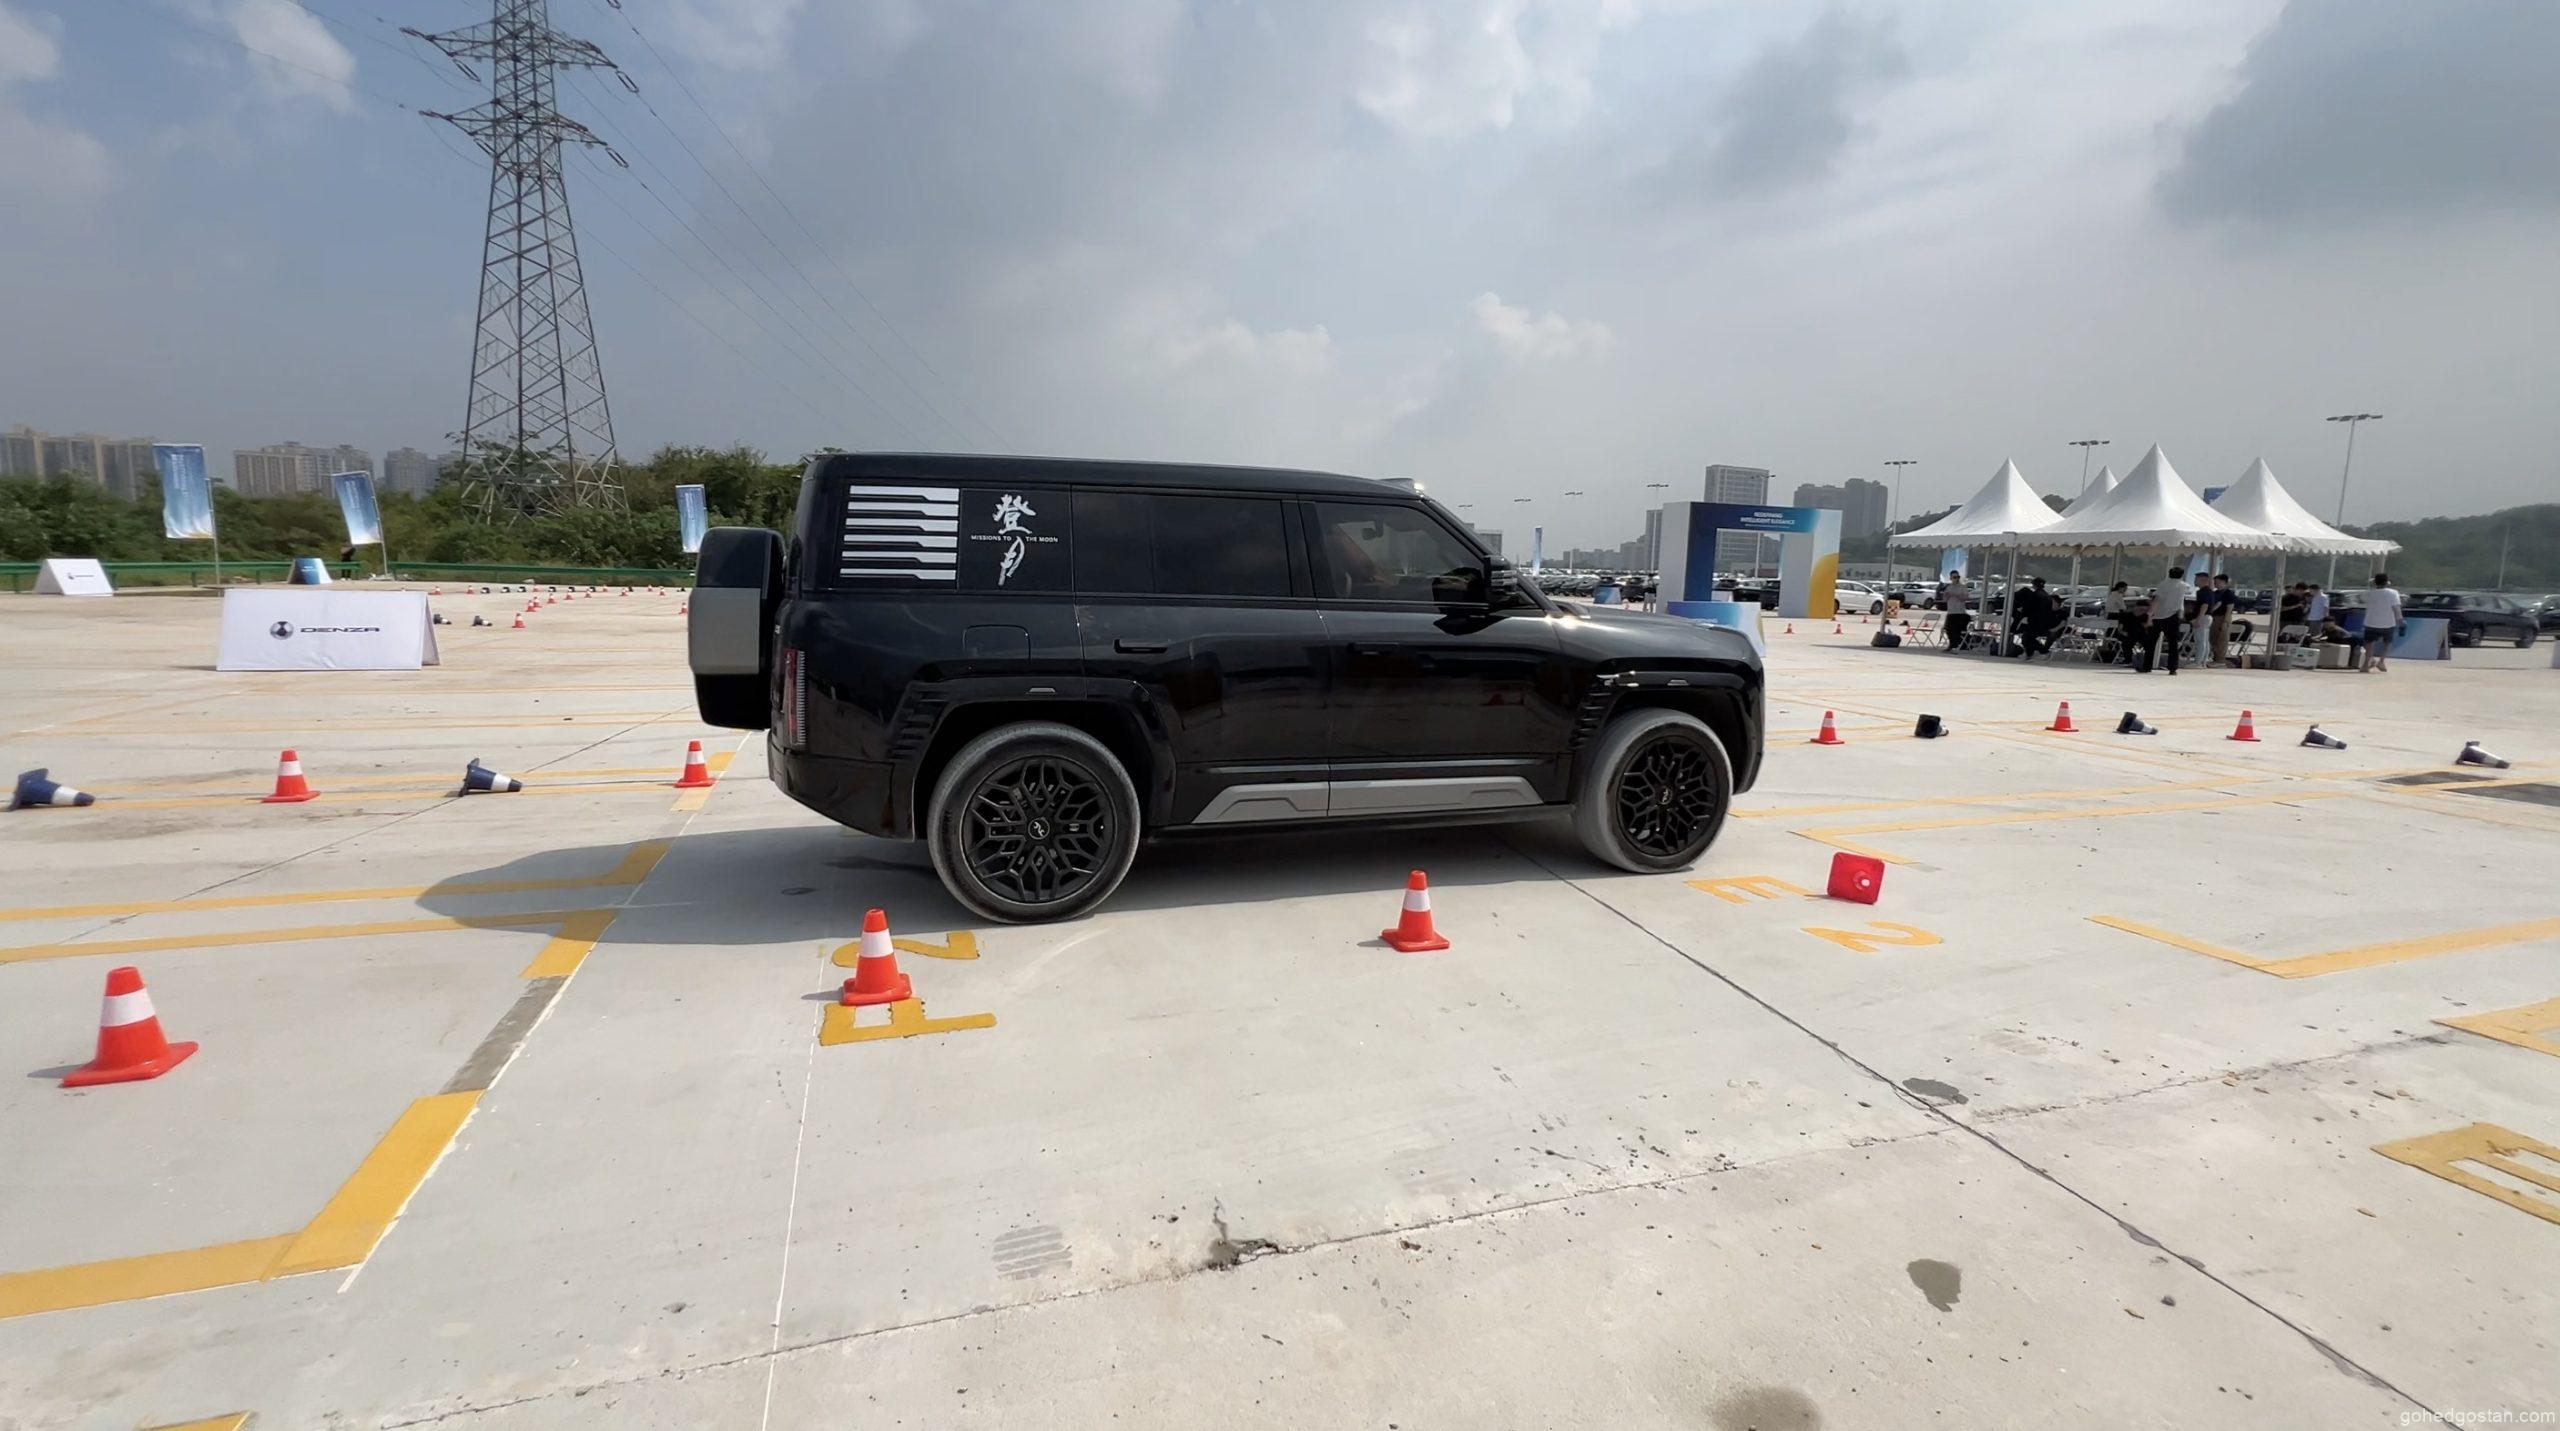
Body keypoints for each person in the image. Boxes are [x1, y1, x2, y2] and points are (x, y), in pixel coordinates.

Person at [2143, 566, 2194, 674]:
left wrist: (2149, 615)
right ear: (2181, 575)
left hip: (2158, 615)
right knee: (2173, 643)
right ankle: (2172, 668)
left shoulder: (2163, 584)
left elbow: (2156, 600)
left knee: (2151, 643)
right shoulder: (2183, 586)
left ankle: (2147, 666)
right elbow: (2187, 593)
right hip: (2173, 615)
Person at [2361, 571, 2403, 673]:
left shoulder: (2368, 593)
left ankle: (2367, 662)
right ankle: (2381, 661)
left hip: (2371, 622)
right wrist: (2400, 620)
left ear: (2375, 582)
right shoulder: (2393, 593)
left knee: (2369, 643)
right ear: (2387, 582)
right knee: (2387, 643)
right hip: (2388, 622)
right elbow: (2396, 608)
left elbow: (2363, 599)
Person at [2205, 573, 2237, 666]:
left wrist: (2225, 621)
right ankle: (2215, 657)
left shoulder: (2228, 594)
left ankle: (2220, 659)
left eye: (2217, 582)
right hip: (2214, 618)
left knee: (2222, 639)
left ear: (2224, 582)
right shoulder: (2215, 593)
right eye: (2214, 582)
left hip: (2223, 617)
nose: (2215, 583)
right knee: (2213, 638)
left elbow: (2229, 609)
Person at [1941, 575, 1973, 650]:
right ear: (1951, 578)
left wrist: (1956, 595)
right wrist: (1947, 596)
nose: (1956, 579)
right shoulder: (1949, 587)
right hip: (1951, 611)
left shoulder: (1962, 587)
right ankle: (1952, 644)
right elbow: (1944, 599)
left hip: (1960, 612)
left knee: (1958, 630)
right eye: (1954, 577)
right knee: (1948, 628)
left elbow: (1966, 598)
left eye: (1958, 577)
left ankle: (1960, 644)